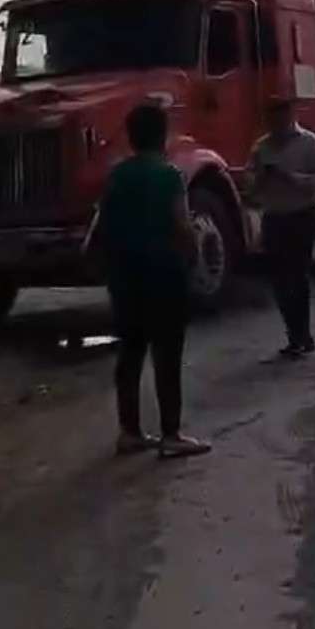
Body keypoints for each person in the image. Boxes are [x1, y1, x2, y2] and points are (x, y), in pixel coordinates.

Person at [88, 102, 211, 459]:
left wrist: (98, 262)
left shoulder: (116, 176)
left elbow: (98, 226)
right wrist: (193, 259)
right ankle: (171, 434)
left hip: (125, 277)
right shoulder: (169, 175)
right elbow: (182, 225)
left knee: (130, 353)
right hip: (164, 274)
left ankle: (129, 432)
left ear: (130, 136)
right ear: (163, 135)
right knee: (167, 356)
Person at [250, 98, 315, 358]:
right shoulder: (261, 148)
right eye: (271, 118)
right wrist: (261, 178)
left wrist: (295, 178)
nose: (276, 123)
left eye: (281, 116)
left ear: (290, 116)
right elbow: (249, 184)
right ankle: (293, 335)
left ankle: (303, 334)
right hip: (274, 217)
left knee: (297, 276)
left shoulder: (309, 143)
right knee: (278, 279)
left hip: (301, 216)